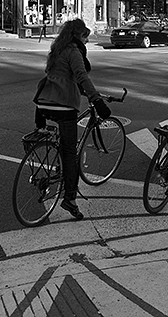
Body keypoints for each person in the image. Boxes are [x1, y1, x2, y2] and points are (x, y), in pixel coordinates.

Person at [34, 18, 111, 220]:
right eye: (85, 36)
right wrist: (97, 101)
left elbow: (58, 77)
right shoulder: (74, 51)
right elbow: (82, 76)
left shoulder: (57, 49)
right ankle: (70, 199)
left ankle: (58, 170)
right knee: (70, 155)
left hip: (44, 104)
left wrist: (81, 91)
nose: (86, 41)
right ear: (78, 35)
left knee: (64, 145)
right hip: (63, 106)